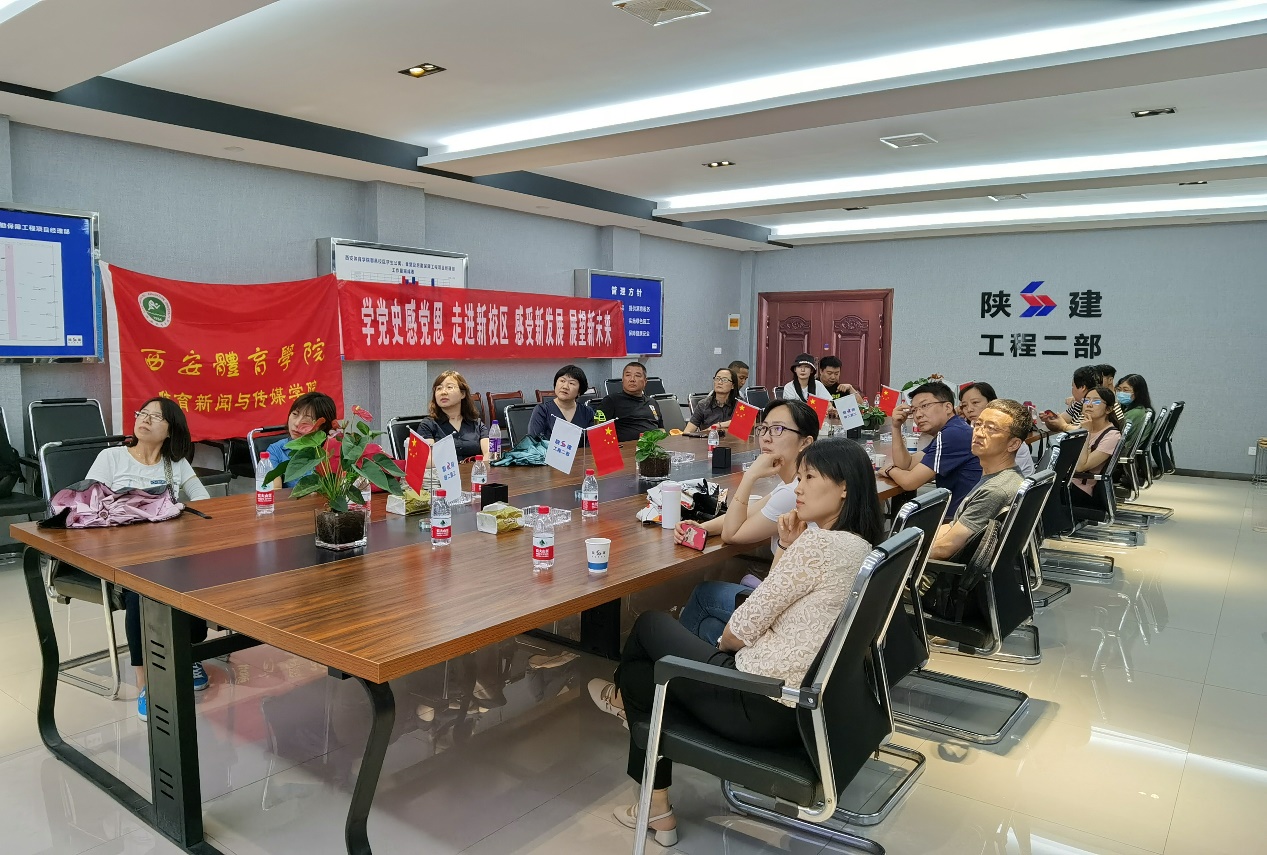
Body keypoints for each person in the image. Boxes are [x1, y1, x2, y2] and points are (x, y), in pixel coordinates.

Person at [587, 438, 885, 848]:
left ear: (845, 486)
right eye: (798, 478)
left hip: (760, 702)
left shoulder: (819, 544)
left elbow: (736, 632)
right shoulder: (861, 547)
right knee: (644, 677)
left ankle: (623, 700)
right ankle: (655, 802)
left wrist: (788, 555)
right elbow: (778, 601)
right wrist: (786, 548)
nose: (798, 488)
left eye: (809, 478)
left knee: (649, 627)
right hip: (808, 710)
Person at [85, 397, 211, 720]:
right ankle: (145, 682)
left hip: (169, 552)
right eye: (143, 413)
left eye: (156, 417)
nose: (145, 419)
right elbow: (89, 505)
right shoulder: (112, 457)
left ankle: (189, 652)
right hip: (123, 555)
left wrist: (180, 513)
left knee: (198, 578)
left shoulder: (174, 464)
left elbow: (204, 500)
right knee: (140, 591)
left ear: (171, 431)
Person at [674, 399, 818, 643]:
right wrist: (703, 528)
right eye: (764, 428)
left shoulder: (793, 493)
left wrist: (750, 476)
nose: (766, 437)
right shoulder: (795, 484)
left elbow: (732, 534)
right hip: (797, 600)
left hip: (793, 610)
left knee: (703, 595)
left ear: (806, 442)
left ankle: (682, 663)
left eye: (778, 429)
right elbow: (750, 512)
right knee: (708, 625)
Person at [929, 398, 1032, 560]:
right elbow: (953, 526)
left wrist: (900, 558)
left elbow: (945, 548)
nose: (978, 433)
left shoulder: (995, 490)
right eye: (978, 424)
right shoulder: (1003, 477)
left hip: (942, 571)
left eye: (991, 428)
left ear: (1013, 444)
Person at [884, 381, 982, 515]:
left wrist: (889, 469)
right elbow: (907, 464)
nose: (918, 415)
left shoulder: (953, 434)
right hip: (960, 515)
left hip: (958, 520)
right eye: (914, 410)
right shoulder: (953, 429)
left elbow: (909, 482)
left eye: (925, 406)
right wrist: (896, 427)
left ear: (948, 407)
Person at [958, 382, 1034, 476]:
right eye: (964, 405)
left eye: (975, 402)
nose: (969, 409)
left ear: (992, 402)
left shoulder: (1007, 434)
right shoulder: (972, 426)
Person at [266, 391, 338, 487]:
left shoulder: (332, 450)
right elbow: (274, 490)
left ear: (322, 426)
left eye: (307, 419)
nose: (297, 423)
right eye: (295, 414)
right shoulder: (276, 450)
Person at [1069, 386, 1123, 509]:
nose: (1089, 405)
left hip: (1081, 490)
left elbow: (1081, 466)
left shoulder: (1112, 435)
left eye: (1097, 401)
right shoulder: (1083, 426)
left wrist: (1086, 433)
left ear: (1108, 409)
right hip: (1067, 481)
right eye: (1086, 400)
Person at [416, 370, 490, 459]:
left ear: (463, 394)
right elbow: (428, 460)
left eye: (449, 387)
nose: (443, 392)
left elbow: (489, 453)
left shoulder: (476, 423)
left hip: (474, 467)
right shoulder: (428, 425)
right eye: (439, 388)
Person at [594, 362, 664, 443]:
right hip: (626, 448)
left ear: (645, 381)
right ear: (622, 380)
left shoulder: (652, 402)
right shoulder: (611, 401)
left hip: (653, 446)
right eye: (628, 375)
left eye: (637, 376)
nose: (632, 379)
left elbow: (661, 428)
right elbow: (598, 432)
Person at [527, 364, 595, 439]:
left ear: (579, 391)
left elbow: (593, 441)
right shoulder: (542, 410)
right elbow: (534, 441)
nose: (565, 387)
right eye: (562, 381)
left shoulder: (587, 412)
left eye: (571, 383)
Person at [684, 368, 739, 432]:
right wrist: (707, 431)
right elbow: (687, 432)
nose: (719, 382)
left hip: (733, 438)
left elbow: (746, 423)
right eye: (717, 379)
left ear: (733, 386)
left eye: (724, 380)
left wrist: (719, 425)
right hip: (709, 437)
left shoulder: (740, 404)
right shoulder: (703, 405)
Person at [1115, 373, 1154, 444]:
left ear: (1138, 393)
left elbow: (1116, 433)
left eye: (1126, 390)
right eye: (1119, 389)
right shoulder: (1128, 409)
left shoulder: (1136, 413)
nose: (1121, 393)